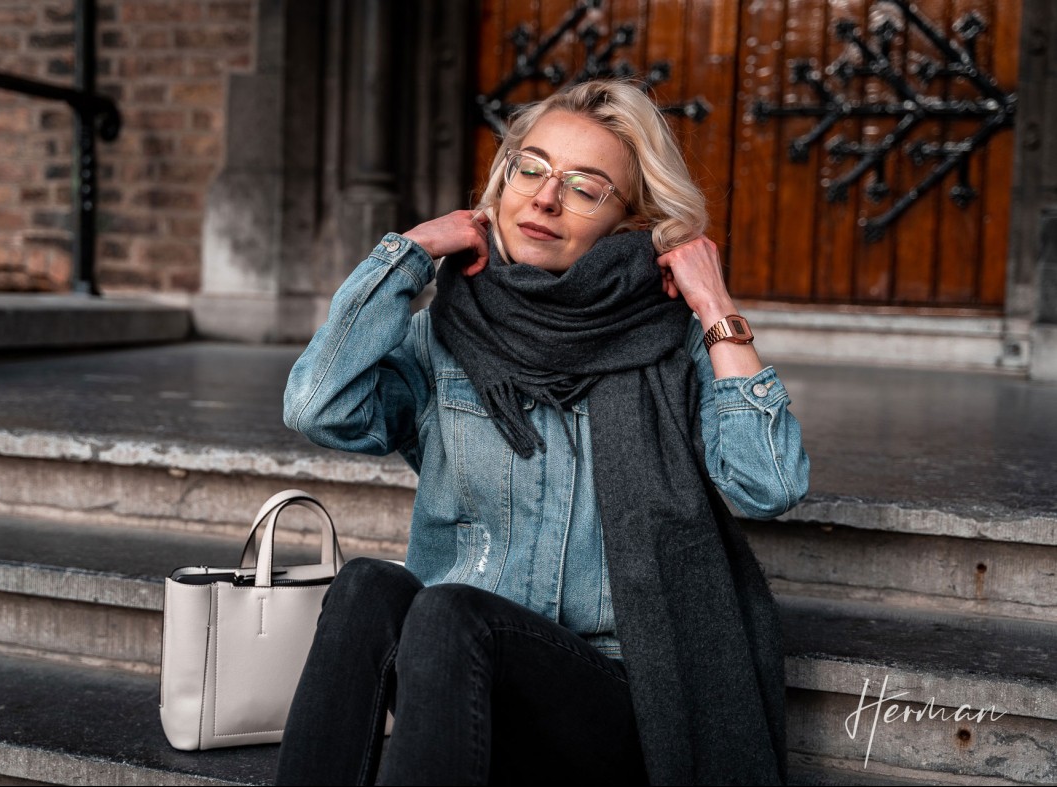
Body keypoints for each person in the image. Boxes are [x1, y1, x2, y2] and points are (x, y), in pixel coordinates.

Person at [276, 79, 810, 785]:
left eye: (585, 187)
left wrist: (714, 304)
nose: (546, 198)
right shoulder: (448, 335)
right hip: (454, 679)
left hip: (611, 699)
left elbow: (769, 483)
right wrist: (406, 254)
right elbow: (317, 405)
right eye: (531, 168)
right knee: (368, 587)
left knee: (446, 609)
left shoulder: (672, 343)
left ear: (631, 219)